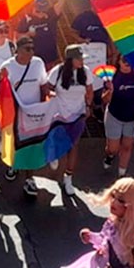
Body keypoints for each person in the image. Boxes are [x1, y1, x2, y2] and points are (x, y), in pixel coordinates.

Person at [0, 35, 51, 196]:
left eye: (33, 48)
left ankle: (29, 179)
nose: (31, 52)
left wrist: (46, 104)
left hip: (33, 112)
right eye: (27, 49)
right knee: (14, 140)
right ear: (18, 50)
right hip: (14, 112)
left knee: (31, 144)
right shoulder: (8, 66)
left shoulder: (38, 63)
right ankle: (12, 164)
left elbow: (43, 85)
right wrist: (0, 79)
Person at [46, 46, 94, 197]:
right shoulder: (58, 71)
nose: (82, 61)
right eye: (79, 58)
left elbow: (90, 90)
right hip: (59, 113)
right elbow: (47, 88)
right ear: (70, 59)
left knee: (74, 145)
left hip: (78, 113)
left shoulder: (85, 71)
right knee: (58, 139)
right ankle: (52, 153)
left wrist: (87, 106)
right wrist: (53, 95)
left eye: (82, 58)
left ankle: (68, 178)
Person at [102, 54, 134, 177]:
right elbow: (104, 100)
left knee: (127, 147)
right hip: (114, 115)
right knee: (113, 148)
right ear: (119, 61)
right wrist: (109, 91)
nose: (127, 63)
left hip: (133, 117)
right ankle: (109, 155)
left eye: (130, 60)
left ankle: (122, 174)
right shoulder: (112, 76)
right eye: (124, 60)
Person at [17, 0, 64, 69]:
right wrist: (28, 34)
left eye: (43, 10)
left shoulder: (50, 15)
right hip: (34, 58)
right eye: (39, 11)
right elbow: (17, 37)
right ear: (33, 8)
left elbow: (61, 3)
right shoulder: (26, 19)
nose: (41, 13)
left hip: (51, 57)